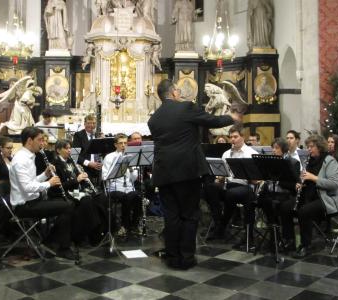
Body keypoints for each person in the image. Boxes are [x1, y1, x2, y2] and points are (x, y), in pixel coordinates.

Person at [148, 79, 241, 269]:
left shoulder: (154, 119)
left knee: (171, 217)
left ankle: (173, 257)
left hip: (164, 173)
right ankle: (187, 257)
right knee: (190, 215)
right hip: (187, 171)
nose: (180, 92)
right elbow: (212, 121)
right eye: (178, 90)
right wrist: (232, 117)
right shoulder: (186, 108)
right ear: (173, 92)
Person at [9, 127, 76, 260]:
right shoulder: (21, 160)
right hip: (24, 206)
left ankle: (52, 241)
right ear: (29, 140)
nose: (42, 143)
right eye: (39, 140)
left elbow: (31, 181)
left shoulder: (29, 156)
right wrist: (49, 183)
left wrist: (45, 175)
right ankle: (60, 246)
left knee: (68, 204)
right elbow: (27, 187)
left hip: (33, 201)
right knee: (68, 206)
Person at [279, 135, 338, 258]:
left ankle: (306, 245)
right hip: (309, 195)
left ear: (319, 147)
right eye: (308, 147)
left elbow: (334, 184)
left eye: (311, 147)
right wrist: (300, 183)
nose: (309, 149)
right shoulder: (309, 160)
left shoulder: (329, 161)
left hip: (326, 198)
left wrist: (313, 178)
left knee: (304, 211)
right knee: (285, 207)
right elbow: (305, 178)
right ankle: (289, 240)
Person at [205, 125, 258, 251]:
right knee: (209, 188)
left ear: (242, 137)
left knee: (231, 194)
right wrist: (219, 178)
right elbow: (224, 175)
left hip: (245, 187)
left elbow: (256, 179)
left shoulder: (251, 153)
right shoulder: (226, 153)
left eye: (235, 137)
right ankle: (219, 222)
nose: (232, 140)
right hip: (228, 186)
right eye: (230, 137)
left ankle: (222, 227)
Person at [50, 139, 109, 245]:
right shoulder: (55, 165)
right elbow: (59, 187)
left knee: (101, 197)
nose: (69, 151)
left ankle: (102, 230)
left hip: (78, 190)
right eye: (66, 148)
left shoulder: (71, 161)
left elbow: (80, 178)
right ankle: (84, 235)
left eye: (70, 148)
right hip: (67, 193)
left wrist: (85, 180)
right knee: (87, 200)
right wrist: (76, 180)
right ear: (58, 150)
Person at [259, 138, 300, 252]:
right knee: (263, 201)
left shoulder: (293, 162)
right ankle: (274, 237)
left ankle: (289, 240)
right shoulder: (271, 161)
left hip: (287, 194)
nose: (273, 150)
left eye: (276, 148)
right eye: (272, 148)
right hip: (273, 193)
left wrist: (278, 181)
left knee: (284, 207)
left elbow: (295, 184)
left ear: (284, 149)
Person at [102, 133, 143, 237]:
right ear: (115, 145)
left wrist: (131, 169)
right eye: (121, 143)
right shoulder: (109, 157)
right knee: (125, 197)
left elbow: (133, 179)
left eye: (125, 143)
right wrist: (116, 170)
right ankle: (125, 225)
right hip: (114, 188)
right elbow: (104, 177)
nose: (123, 145)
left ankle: (134, 224)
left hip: (129, 188)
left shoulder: (131, 157)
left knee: (137, 196)